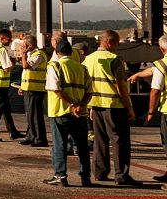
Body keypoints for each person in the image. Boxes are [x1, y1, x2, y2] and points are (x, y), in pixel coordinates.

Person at [83, 29, 140, 186]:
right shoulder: (114, 59)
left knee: (100, 140)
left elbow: (86, 83)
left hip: (95, 105)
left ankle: (99, 172)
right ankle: (121, 174)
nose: (118, 46)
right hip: (113, 105)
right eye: (116, 42)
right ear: (108, 42)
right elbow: (121, 85)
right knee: (119, 141)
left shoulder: (89, 59)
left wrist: (90, 105)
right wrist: (129, 108)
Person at [43, 37, 92, 187]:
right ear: (71, 52)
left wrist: (71, 104)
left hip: (60, 112)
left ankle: (60, 175)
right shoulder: (81, 68)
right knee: (82, 146)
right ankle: (85, 177)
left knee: (60, 145)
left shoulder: (54, 66)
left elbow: (56, 89)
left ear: (57, 52)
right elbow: (89, 91)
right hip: (79, 113)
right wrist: (81, 105)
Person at [127, 34, 167, 183]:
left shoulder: (162, 65)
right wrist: (139, 74)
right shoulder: (161, 66)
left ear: (162, 50)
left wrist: (150, 112)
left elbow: (155, 90)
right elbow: (153, 71)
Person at [18, 37, 49, 147]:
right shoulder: (32, 54)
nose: (22, 47)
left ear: (29, 46)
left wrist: (23, 54)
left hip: (36, 88)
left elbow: (26, 66)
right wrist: (22, 86)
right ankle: (31, 135)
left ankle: (40, 138)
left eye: (24, 45)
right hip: (29, 87)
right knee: (30, 114)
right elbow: (25, 73)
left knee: (35, 115)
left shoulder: (38, 55)